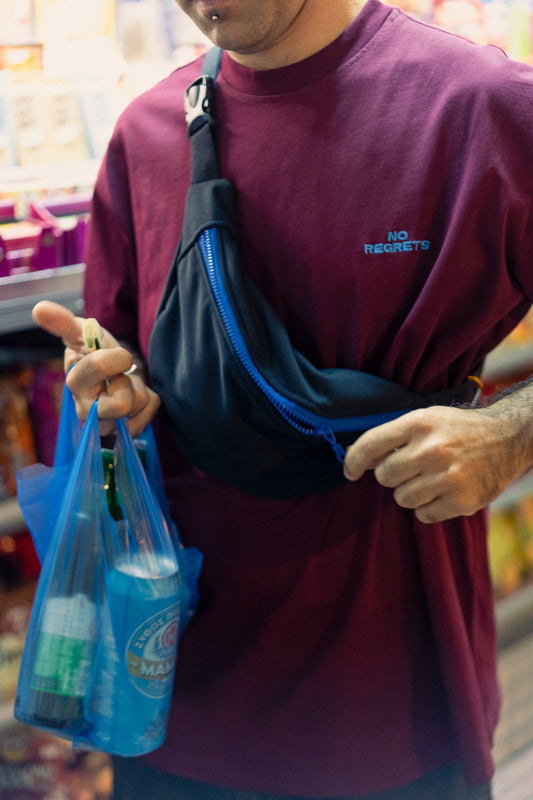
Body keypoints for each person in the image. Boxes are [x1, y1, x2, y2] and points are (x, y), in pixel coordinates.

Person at [33, 0, 533, 797]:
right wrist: (119, 392)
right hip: (164, 692)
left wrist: (509, 433)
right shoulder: (146, 134)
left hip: (391, 712)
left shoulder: (479, 105)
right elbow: (121, 365)